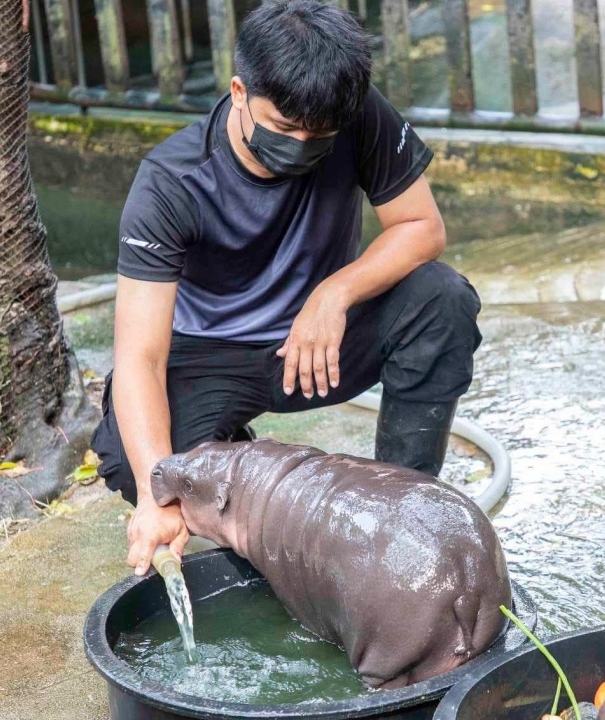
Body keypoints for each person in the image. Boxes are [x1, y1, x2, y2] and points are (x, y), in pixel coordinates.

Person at [89, 0, 482, 577]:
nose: (300, 144)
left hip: (321, 345)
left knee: (443, 300)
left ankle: (405, 507)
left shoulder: (355, 113)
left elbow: (423, 228)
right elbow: (139, 357)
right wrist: (156, 495)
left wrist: (333, 294)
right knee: (137, 464)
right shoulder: (171, 182)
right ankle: (237, 460)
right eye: (284, 128)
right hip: (211, 355)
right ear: (240, 91)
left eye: (318, 134)